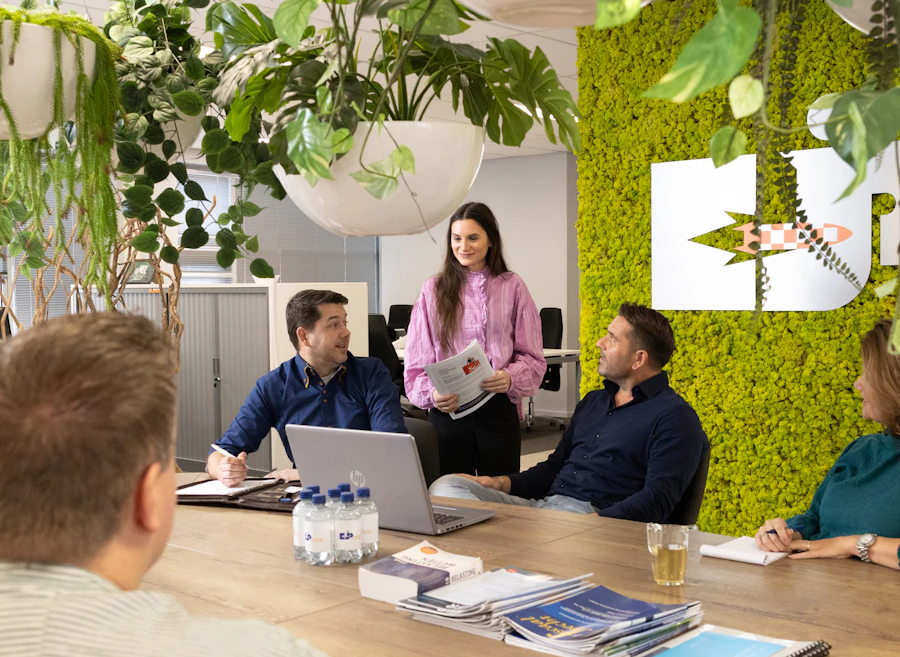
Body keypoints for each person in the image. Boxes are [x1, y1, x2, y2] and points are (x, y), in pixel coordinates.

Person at [0, 313, 446, 657]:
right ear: (152, 499)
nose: (345, 332)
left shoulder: (368, 372)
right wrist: (226, 463)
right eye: (333, 323)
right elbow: (225, 446)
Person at [429, 303, 707, 521]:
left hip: (593, 521)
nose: (600, 343)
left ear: (639, 359)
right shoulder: (594, 402)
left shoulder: (675, 418)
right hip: (544, 509)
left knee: (487, 524)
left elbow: (657, 501)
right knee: (447, 488)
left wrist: (591, 524)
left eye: (611, 338)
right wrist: (499, 483)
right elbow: (554, 468)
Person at [404, 202, 546, 476]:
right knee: (451, 498)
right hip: (449, 411)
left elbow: (532, 356)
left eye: (473, 237)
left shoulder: (512, 285)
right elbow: (415, 365)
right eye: (456, 238)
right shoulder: (433, 289)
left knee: (502, 498)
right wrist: (432, 394)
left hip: (498, 407)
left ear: (490, 240)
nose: (463, 246)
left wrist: (510, 377)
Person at [209, 288, 406, 486]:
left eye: (344, 323)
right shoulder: (273, 386)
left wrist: (309, 473)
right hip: (307, 503)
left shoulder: (372, 373)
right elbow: (220, 452)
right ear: (303, 336)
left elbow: (390, 448)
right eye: (334, 325)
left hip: (367, 490)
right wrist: (224, 469)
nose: (346, 332)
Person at [755, 319, 900, 570]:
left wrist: (854, 544)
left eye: (868, 372)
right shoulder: (862, 450)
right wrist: (788, 533)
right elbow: (815, 518)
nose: (858, 383)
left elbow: (845, 543)